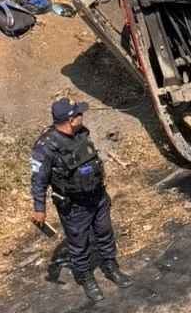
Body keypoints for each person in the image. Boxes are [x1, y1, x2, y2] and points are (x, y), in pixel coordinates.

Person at [30, 99, 132, 302]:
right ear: (70, 119)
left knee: (104, 232)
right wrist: (39, 208)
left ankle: (111, 267)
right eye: (78, 114)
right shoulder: (46, 146)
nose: (82, 116)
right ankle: (85, 277)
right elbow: (38, 180)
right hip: (73, 205)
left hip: (97, 196)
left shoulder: (81, 132)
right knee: (78, 244)